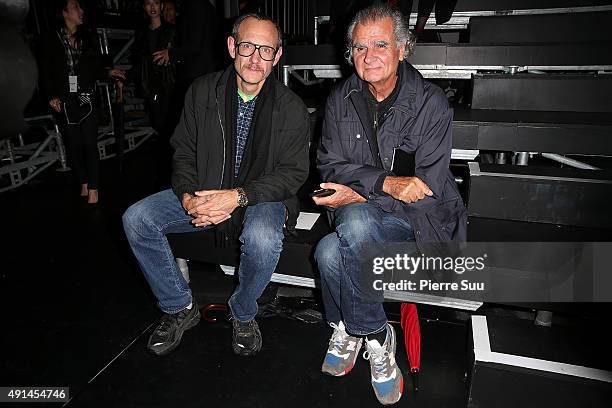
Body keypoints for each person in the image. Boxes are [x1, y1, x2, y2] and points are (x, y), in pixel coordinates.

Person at [122, 13, 310, 357]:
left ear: (277, 56)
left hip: (263, 196)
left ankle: (243, 312)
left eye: (266, 50)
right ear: (231, 46)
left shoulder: (292, 108)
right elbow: (183, 152)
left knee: (263, 237)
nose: (255, 59)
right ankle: (179, 305)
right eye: (248, 46)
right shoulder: (201, 92)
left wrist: (237, 197)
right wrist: (187, 196)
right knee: (137, 219)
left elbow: (293, 173)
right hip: (205, 189)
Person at [312, 4, 467, 405]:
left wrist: (361, 190)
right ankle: (372, 331)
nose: (369, 56)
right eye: (360, 47)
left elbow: (421, 191)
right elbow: (329, 166)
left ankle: (356, 328)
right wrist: (385, 183)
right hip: (361, 221)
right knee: (329, 251)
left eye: (380, 44)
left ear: (402, 47)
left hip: (418, 226)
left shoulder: (430, 103)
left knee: (354, 226)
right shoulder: (340, 98)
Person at [39, 0, 125, 204]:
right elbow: (45, 71)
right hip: (65, 99)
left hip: (87, 97)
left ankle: (94, 188)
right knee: (74, 145)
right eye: (76, 7)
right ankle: (84, 182)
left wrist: (108, 72)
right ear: (64, 13)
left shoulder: (88, 38)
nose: (81, 11)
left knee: (89, 142)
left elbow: (96, 68)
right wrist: (51, 95)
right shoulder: (50, 39)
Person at [133, 0, 176, 136]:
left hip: (171, 83)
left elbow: (183, 54)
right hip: (152, 85)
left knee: (172, 124)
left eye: (156, 3)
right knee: (158, 124)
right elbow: (139, 62)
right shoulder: (141, 34)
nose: (152, 7)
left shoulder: (172, 30)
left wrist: (172, 54)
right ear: (144, 7)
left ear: (161, 6)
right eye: (148, 3)